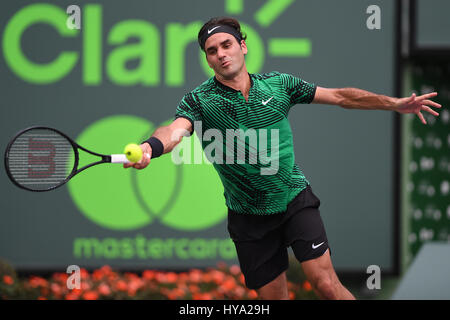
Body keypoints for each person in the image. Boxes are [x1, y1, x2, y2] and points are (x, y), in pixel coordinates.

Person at [124, 17, 441, 300]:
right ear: (208, 60)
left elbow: (341, 96)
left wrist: (394, 103)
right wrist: (151, 147)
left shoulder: (280, 85)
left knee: (326, 286)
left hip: (294, 200)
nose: (221, 54)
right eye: (211, 50)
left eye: (226, 44)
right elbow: (175, 130)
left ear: (242, 47)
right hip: (247, 217)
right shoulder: (200, 100)